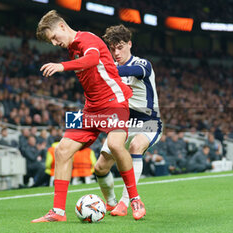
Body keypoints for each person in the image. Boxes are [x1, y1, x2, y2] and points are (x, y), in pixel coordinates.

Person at [31, 10, 144, 223]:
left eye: (54, 37)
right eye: (51, 41)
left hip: (114, 102)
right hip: (91, 109)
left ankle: (135, 199)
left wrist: (62, 66)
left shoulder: (87, 38)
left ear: (62, 26)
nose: (55, 43)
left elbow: (92, 59)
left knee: (115, 143)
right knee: (62, 150)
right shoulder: (72, 49)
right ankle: (58, 212)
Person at [94, 24, 163, 216]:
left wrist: (101, 68)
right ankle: (110, 202)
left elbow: (124, 72)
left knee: (135, 147)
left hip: (148, 122)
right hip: (123, 123)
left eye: (120, 47)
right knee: (100, 167)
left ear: (130, 44)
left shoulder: (142, 64)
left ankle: (127, 202)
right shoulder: (111, 68)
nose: (116, 52)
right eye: (112, 48)